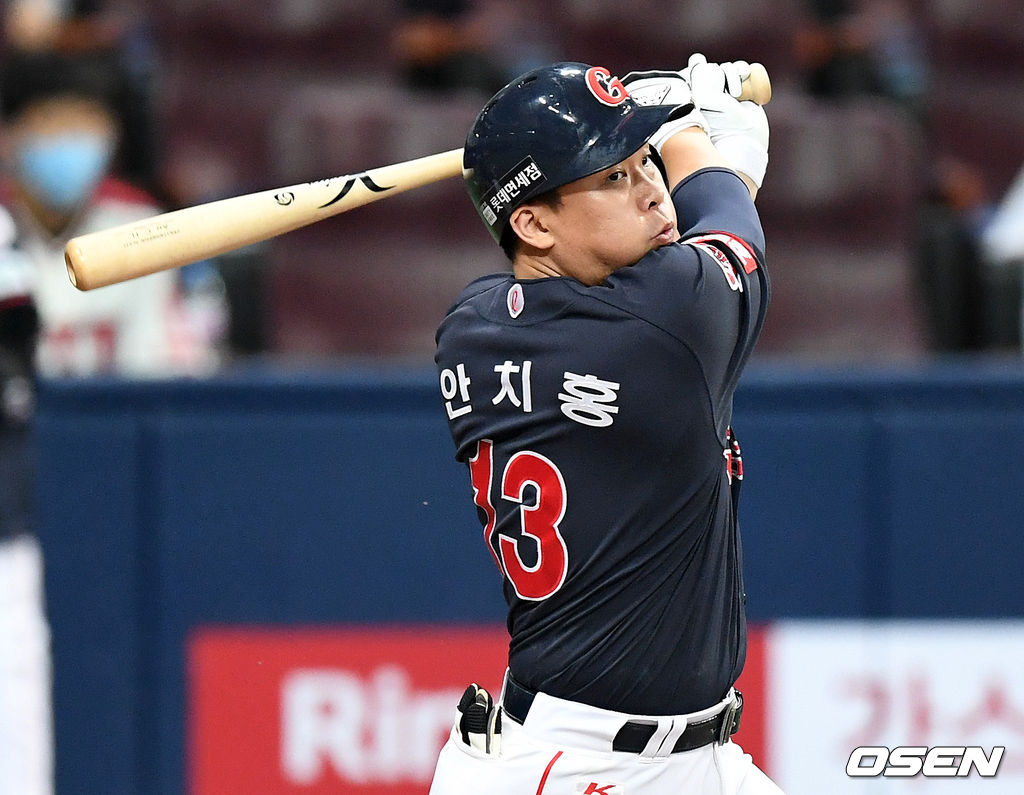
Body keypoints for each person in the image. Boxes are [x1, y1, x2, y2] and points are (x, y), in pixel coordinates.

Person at [431, 55, 779, 793]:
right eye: (614, 176)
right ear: (531, 221)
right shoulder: (662, 325)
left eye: (645, 161)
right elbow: (724, 228)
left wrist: (671, 139)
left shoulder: (473, 324)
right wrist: (695, 133)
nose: (653, 189)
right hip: (583, 769)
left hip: (669, 756)